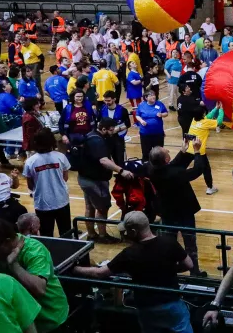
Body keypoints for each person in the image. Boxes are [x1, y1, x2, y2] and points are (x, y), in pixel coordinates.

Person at [72, 211, 194, 333]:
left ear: (134, 232)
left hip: (147, 308)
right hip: (172, 304)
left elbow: (100, 273)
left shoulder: (128, 254)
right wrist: (170, 269)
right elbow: (189, 264)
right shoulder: (169, 243)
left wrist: (75, 269)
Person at [0, 217, 69, 332]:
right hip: (18, 321)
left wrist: (14, 265)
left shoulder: (33, 250)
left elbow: (39, 288)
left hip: (48, 319)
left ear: (8, 242)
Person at [148, 136, 210, 277]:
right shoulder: (175, 174)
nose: (168, 150)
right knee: (190, 243)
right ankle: (194, 272)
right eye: (167, 152)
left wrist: (183, 151)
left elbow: (173, 165)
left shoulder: (152, 170)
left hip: (167, 211)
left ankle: (169, 271)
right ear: (166, 160)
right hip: (184, 212)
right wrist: (197, 151)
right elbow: (198, 170)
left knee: (168, 243)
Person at [23, 130, 71, 238]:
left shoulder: (30, 161)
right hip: (61, 200)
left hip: (42, 204)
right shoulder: (60, 156)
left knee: (46, 235)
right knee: (66, 232)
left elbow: (30, 185)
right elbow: (65, 177)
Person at [135, 91, 168, 161]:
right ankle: (146, 167)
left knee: (159, 153)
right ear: (146, 98)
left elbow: (166, 113)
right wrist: (141, 121)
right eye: (151, 95)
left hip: (158, 133)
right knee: (146, 152)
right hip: (145, 134)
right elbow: (137, 115)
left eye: (154, 95)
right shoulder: (141, 105)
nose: (153, 97)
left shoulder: (159, 103)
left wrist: (161, 115)